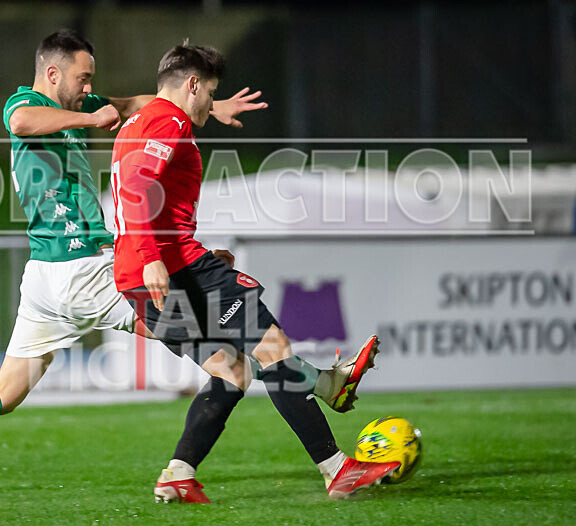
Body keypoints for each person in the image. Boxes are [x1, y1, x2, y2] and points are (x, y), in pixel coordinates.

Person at [0, 29, 269, 493]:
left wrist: (211, 106)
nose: (90, 88)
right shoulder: (25, 105)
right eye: (83, 78)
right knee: (227, 353)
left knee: (4, 392)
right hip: (87, 271)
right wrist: (90, 119)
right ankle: (313, 397)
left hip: (45, 281)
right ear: (52, 73)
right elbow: (22, 123)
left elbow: (141, 102)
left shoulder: (75, 111)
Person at [110, 41, 398, 502]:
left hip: (137, 276)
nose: (210, 102)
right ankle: (336, 465)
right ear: (192, 85)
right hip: (169, 266)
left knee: (231, 371)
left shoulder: (136, 123)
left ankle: (178, 474)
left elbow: (138, 187)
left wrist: (160, 255)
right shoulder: (171, 120)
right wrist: (155, 256)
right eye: (209, 92)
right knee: (272, 348)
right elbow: (139, 185)